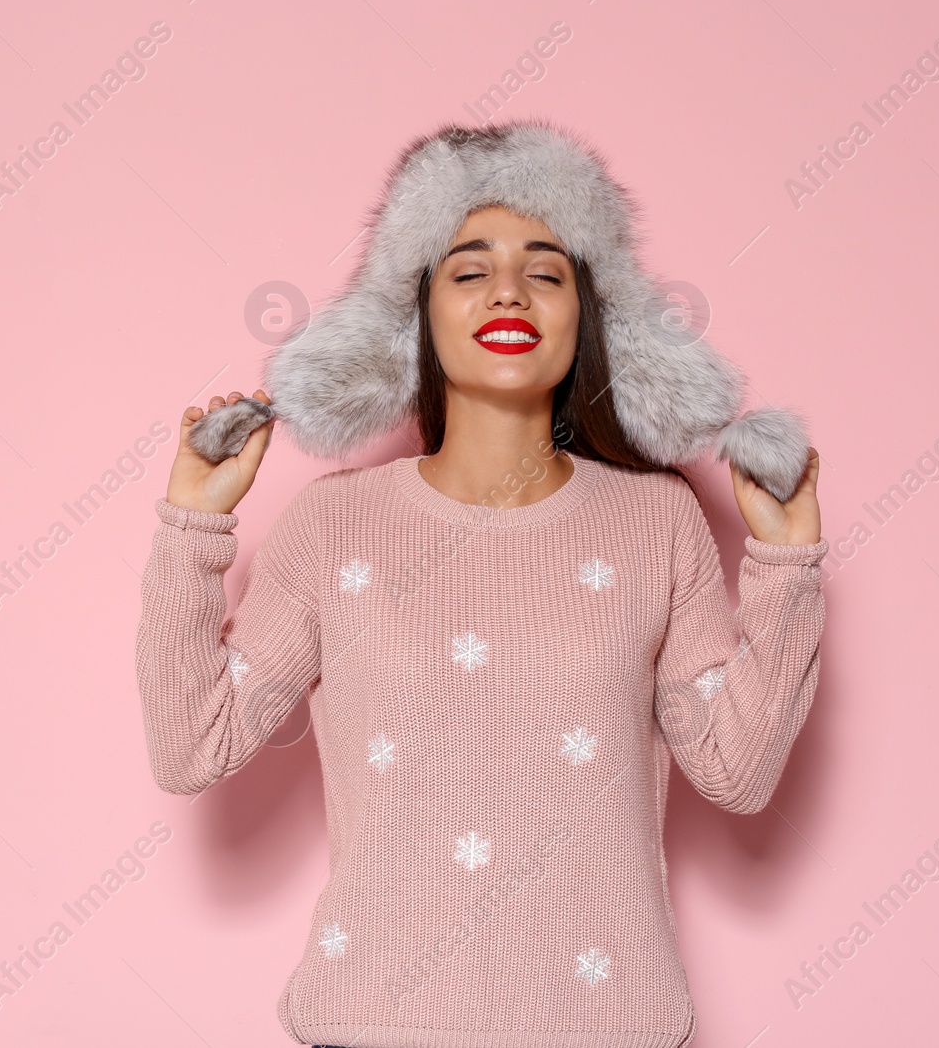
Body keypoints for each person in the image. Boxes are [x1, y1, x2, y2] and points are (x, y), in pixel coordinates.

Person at [136, 120, 828, 1048]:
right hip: (374, 1026)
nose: (509, 288)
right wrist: (194, 524)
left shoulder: (657, 523)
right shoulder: (334, 525)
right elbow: (193, 744)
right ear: (415, 315)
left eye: (547, 271)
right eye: (468, 270)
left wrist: (784, 563)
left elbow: (738, 774)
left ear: (591, 316)